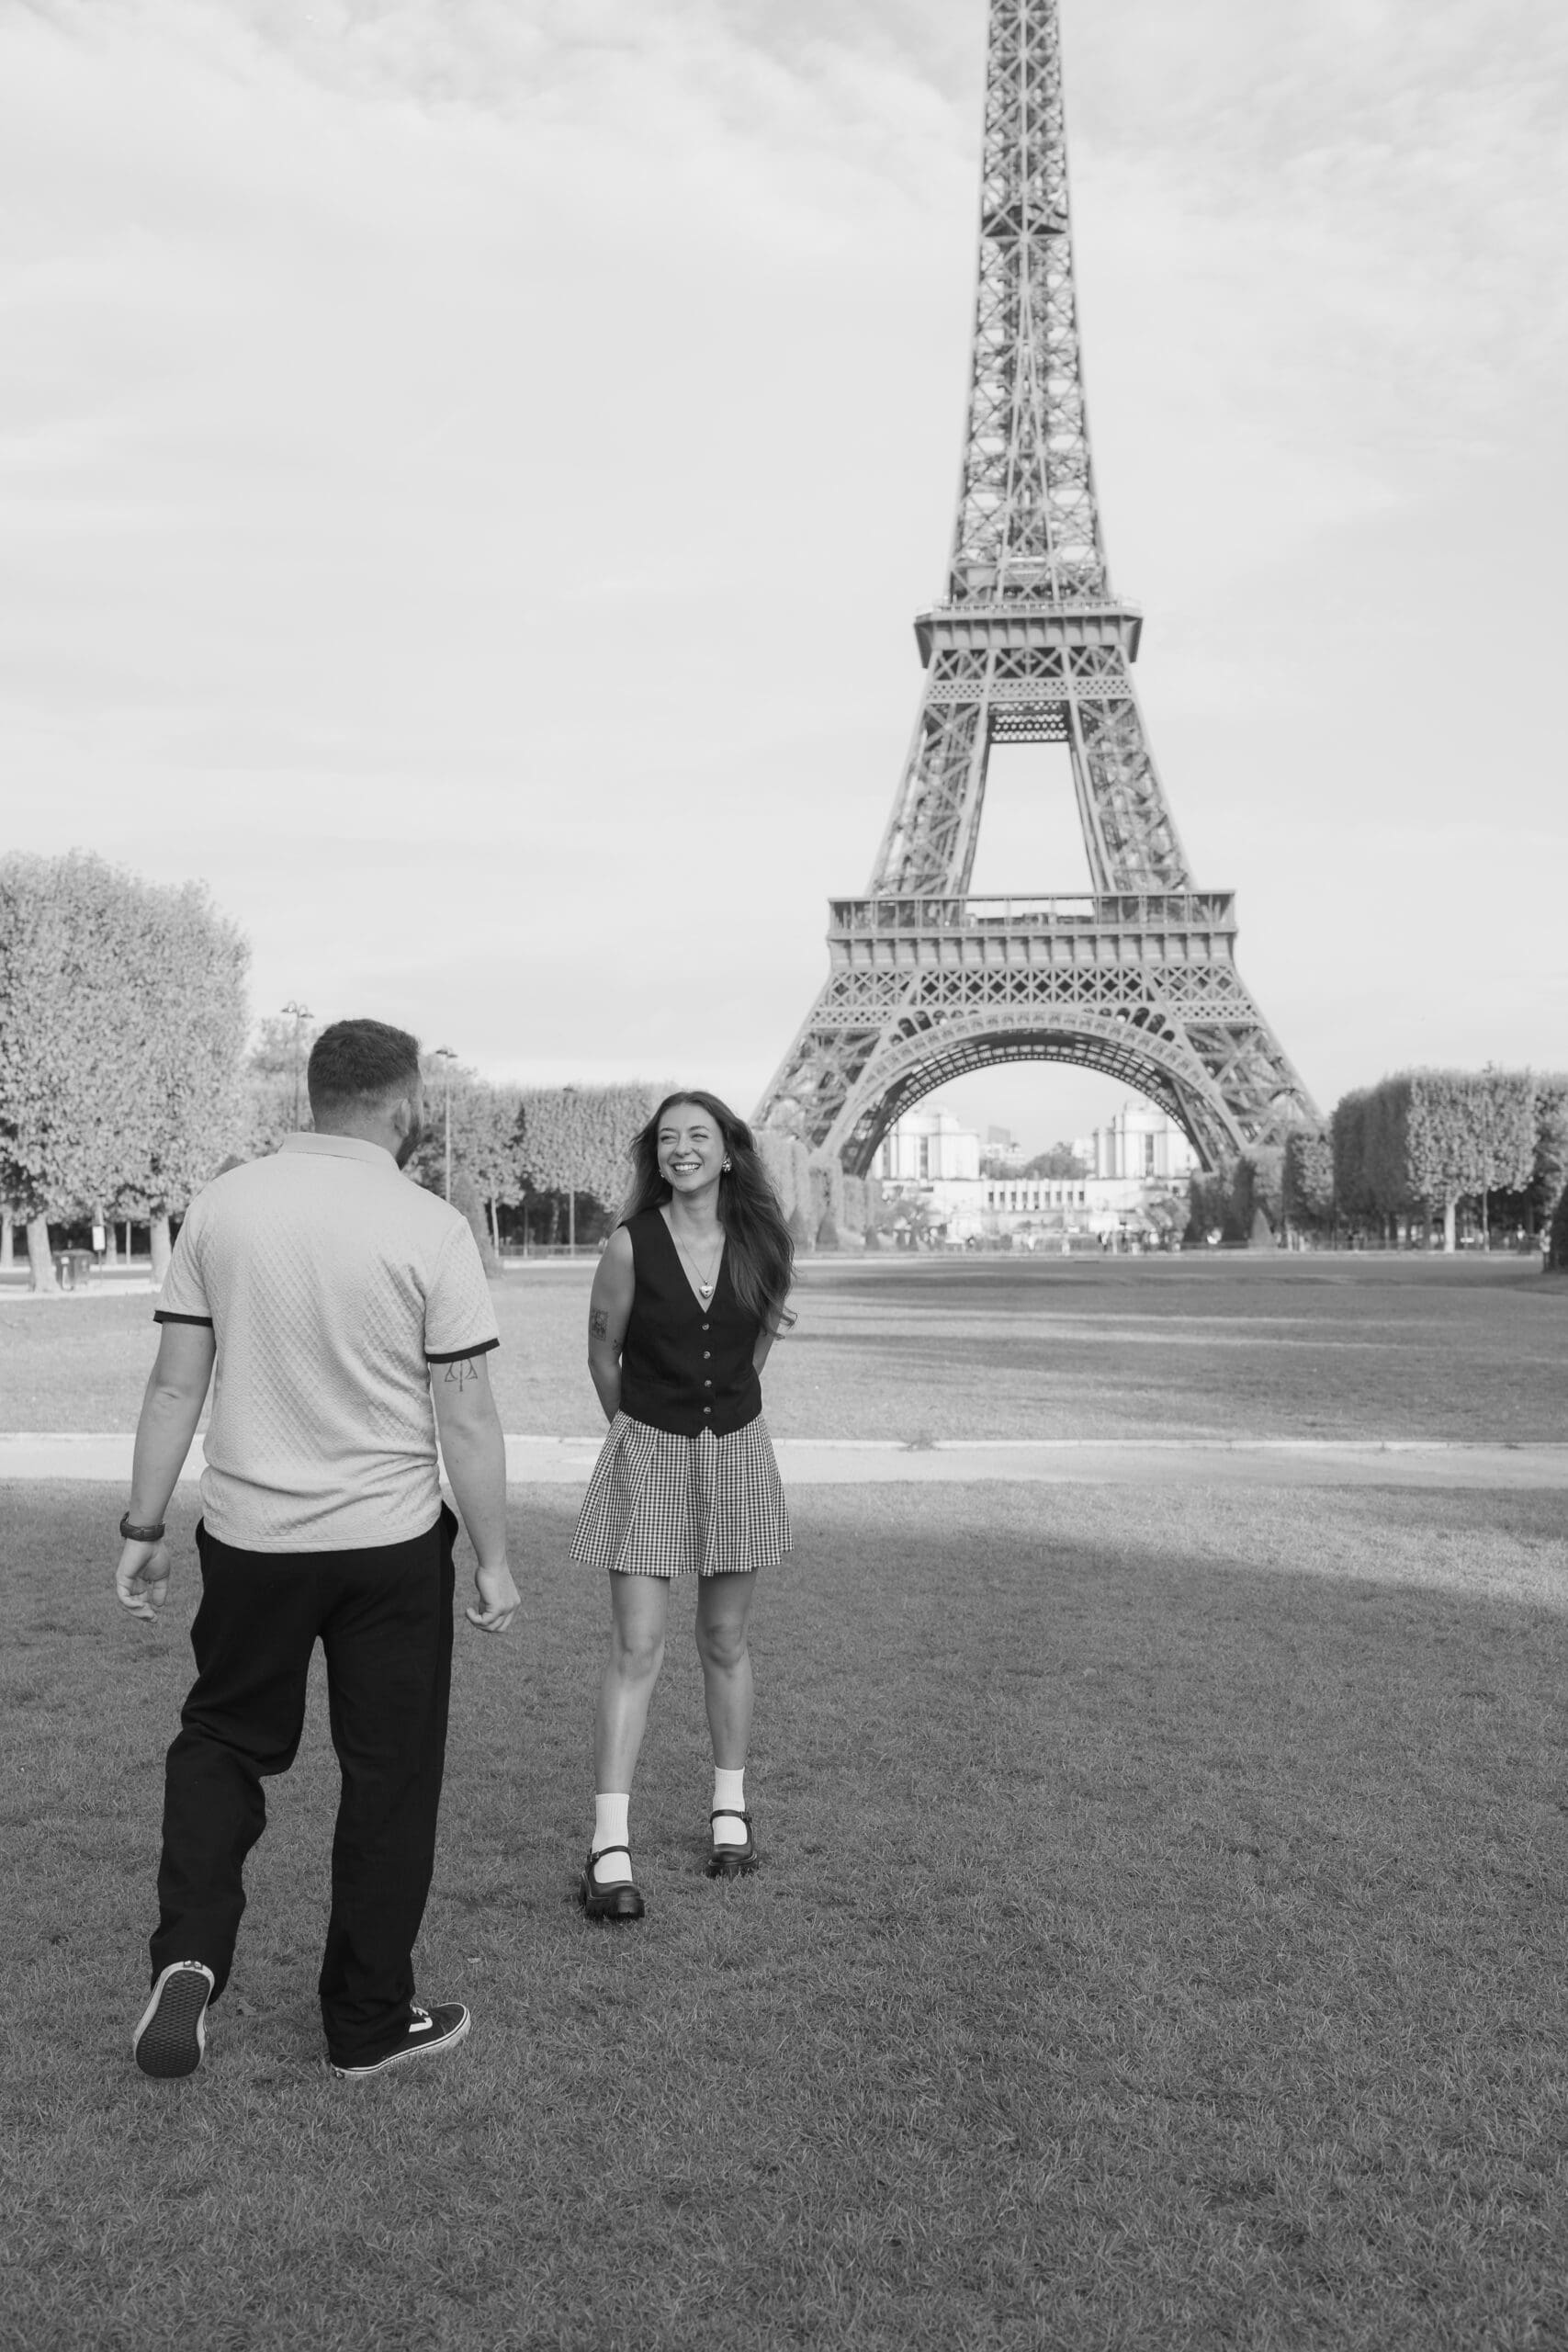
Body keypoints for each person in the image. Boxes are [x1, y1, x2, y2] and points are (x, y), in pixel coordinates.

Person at [115, 1018, 520, 2081]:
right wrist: (493, 1557)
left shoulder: (224, 1203)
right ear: (402, 1103)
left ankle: (193, 1952)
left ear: (312, 1093)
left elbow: (173, 1385)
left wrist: (144, 1525)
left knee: (222, 1741)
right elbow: (467, 1417)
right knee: (390, 1775)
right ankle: (367, 2022)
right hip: (388, 1543)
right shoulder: (428, 1225)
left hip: (250, 1536)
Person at [570, 1091, 794, 1921]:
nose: (682, 1150)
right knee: (636, 1646)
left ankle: (729, 1812)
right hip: (651, 1447)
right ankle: (608, 1843)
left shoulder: (763, 1244)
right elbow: (602, 1351)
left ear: (728, 1149)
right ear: (654, 1155)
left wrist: (716, 1411)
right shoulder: (629, 1245)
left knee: (726, 1639)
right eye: (668, 1139)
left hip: (735, 1447)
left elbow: (760, 1338)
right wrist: (639, 1436)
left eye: (698, 1136)